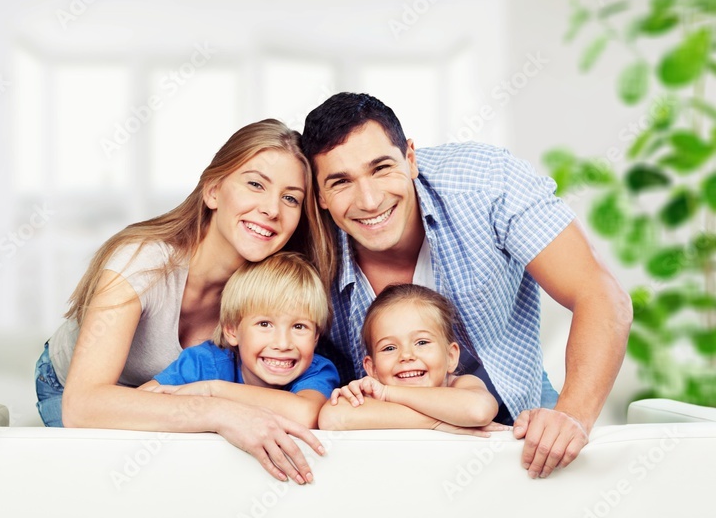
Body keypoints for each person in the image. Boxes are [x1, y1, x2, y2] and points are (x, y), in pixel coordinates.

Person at [301, 92, 632, 478]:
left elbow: (599, 293)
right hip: (383, 433)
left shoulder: (485, 183)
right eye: (341, 182)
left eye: (381, 168)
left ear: (410, 158)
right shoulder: (305, 241)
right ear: (320, 195)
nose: (370, 200)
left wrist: (572, 416)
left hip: (516, 417)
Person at [35, 119, 333, 484]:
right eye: (255, 184)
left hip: (174, 394)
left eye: (290, 198)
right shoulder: (143, 261)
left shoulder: (270, 288)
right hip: (73, 388)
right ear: (212, 192)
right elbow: (82, 407)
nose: (272, 209)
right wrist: (219, 412)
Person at [139, 252, 340, 428]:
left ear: (315, 337)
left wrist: (212, 390)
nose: (283, 344)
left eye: (299, 327)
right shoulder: (205, 362)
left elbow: (305, 414)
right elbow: (138, 403)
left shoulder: (317, 370)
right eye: (264, 324)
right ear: (232, 331)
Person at [319, 283, 501, 434]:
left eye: (421, 342)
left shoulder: (461, 385)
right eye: (389, 347)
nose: (406, 355)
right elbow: (331, 417)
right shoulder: (371, 394)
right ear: (372, 368)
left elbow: (478, 411)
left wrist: (388, 394)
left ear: (451, 356)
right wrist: (437, 423)